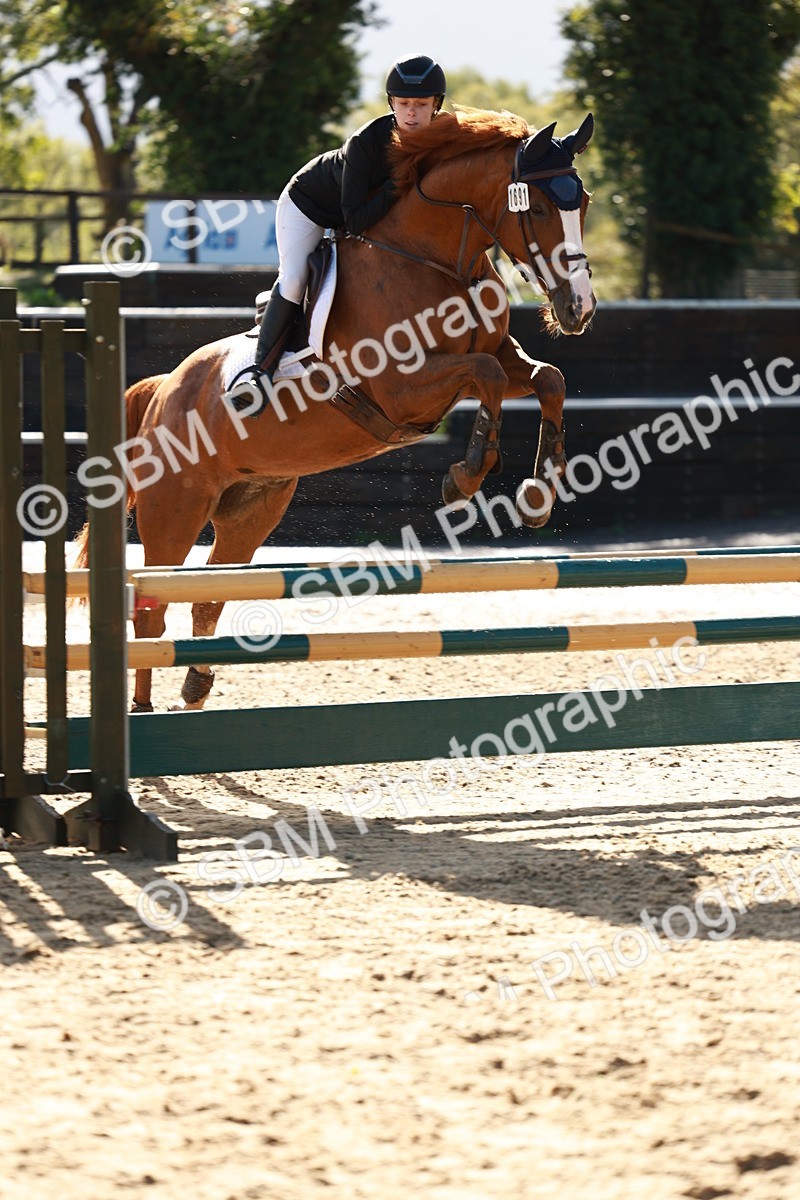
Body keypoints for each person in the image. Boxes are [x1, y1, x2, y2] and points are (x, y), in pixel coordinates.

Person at [231, 54, 447, 393]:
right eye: (403, 103)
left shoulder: (445, 135)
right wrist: (396, 184)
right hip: (309, 205)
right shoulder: (365, 143)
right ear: (391, 102)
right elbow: (356, 221)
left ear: (437, 104)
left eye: (421, 104)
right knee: (294, 277)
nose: (411, 113)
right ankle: (260, 372)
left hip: (359, 213)